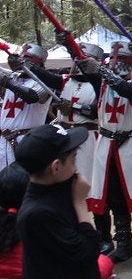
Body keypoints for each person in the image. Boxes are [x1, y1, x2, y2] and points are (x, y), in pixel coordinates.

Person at [76, 41, 132, 265]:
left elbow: (129, 91)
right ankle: (124, 244)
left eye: (121, 60)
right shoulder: (102, 84)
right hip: (107, 146)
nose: (115, 64)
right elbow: (85, 66)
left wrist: (103, 71)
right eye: (113, 59)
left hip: (131, 145)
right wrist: (69, 44)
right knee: (114, 198)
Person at [25, 37, 113, 254]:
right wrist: (27, 65)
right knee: (65, 189)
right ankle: (72, 232)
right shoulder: (65, 80)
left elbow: (96, 110)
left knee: (93, 188)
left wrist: (75, 106)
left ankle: (104, 237)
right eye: (75, 60)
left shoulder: (100, 84)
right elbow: (43, 76)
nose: (77, 64)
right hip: (66, 142)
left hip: (89, 138)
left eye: (81, 60)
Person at [13, 124, 101, 278]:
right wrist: (80, 203)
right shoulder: (39, 214)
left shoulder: (58, 188)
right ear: (56, 167)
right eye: (73, 160)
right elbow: (87, 252)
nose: (76, 168)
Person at [0, 43, 53, 167]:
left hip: (26, 140)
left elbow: (32, 97)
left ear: (38, 62)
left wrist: (8, 83)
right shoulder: (13, 77)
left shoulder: (47, 82)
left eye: (27, 57)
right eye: (20, 56)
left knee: (24, 180)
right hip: (4, 140)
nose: (21, 60)